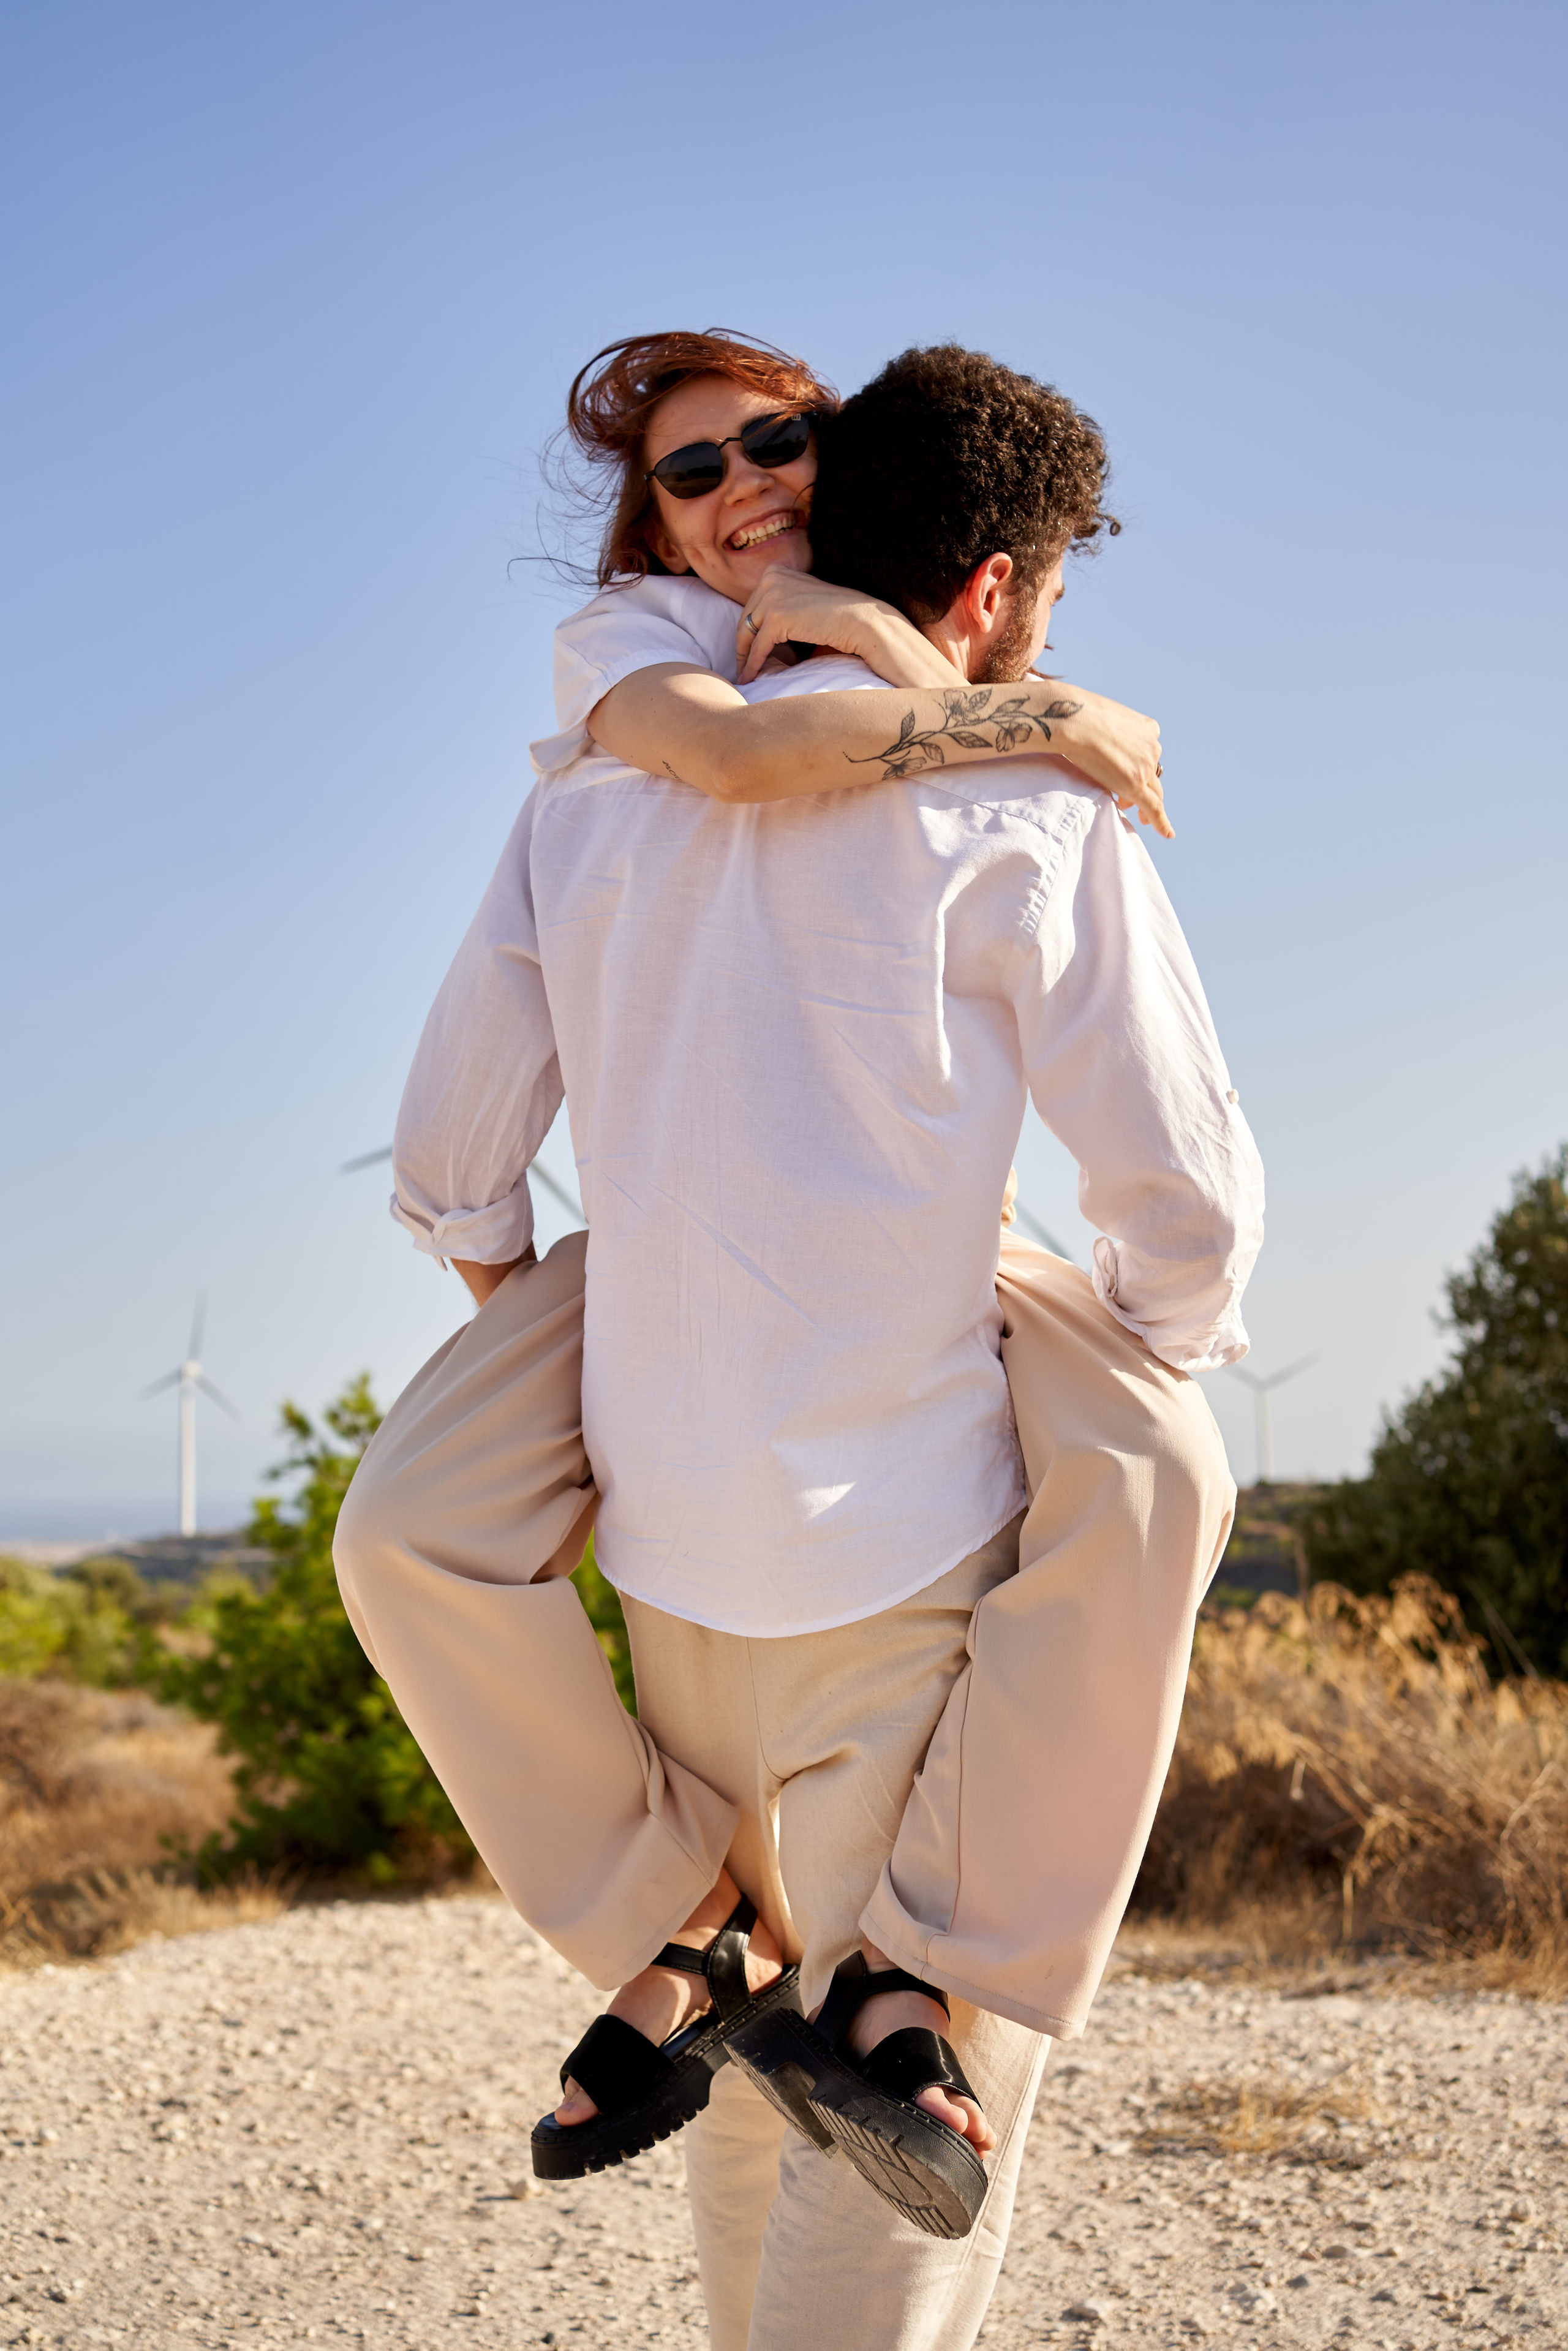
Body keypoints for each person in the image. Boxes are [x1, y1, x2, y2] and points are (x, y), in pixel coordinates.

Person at [334, 341, 1263, 2349]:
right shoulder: (1031, 797)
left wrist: (613, 1338)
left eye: (779, 443)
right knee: (887, 2181)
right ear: (995, 585)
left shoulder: (587, 798)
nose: (743, 479)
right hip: (905, 1569)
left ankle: (670, 1927)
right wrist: (1090, 1348)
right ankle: (922, 1963)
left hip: (672, 1577)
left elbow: (452, 1161)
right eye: (700, 466)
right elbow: (1188, 1216)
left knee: (757, 2123)